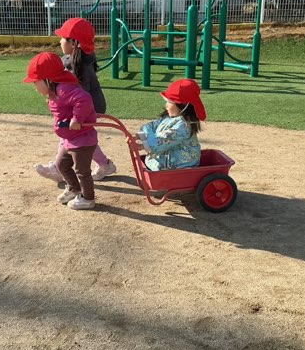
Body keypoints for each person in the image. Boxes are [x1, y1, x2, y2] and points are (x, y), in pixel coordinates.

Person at [34, 17, 116, 183]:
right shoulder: (73, 59)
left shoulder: (80, 66)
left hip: (87, 108)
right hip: (82, 106)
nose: (60, 41)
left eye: (63, 38)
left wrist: (76, 116)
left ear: (74, 43)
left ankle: (58, 169)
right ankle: (104, 164)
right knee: (84, 138)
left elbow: (81, 95)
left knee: (72, 137)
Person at [24, 52, 98, 210]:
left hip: (82, 139)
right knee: (61, 164)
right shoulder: (55, 91)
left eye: (36, 82)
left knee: (82, 171)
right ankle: (74, 188)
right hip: (71, 139)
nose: (35, 87)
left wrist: (77, 119)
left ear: (47, 79)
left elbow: (84, 99)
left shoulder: (63, 89)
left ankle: (88, 199)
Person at [130, 79, 206, 171]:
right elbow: (152, 126)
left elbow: (165, 139)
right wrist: (139, 135)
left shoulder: (183, 126)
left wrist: (143, 146)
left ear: (182, 105)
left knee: (161, 143)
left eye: (170, 102)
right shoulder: (169, 118)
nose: (166, 105)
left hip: (180, 166)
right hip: (165, 162)